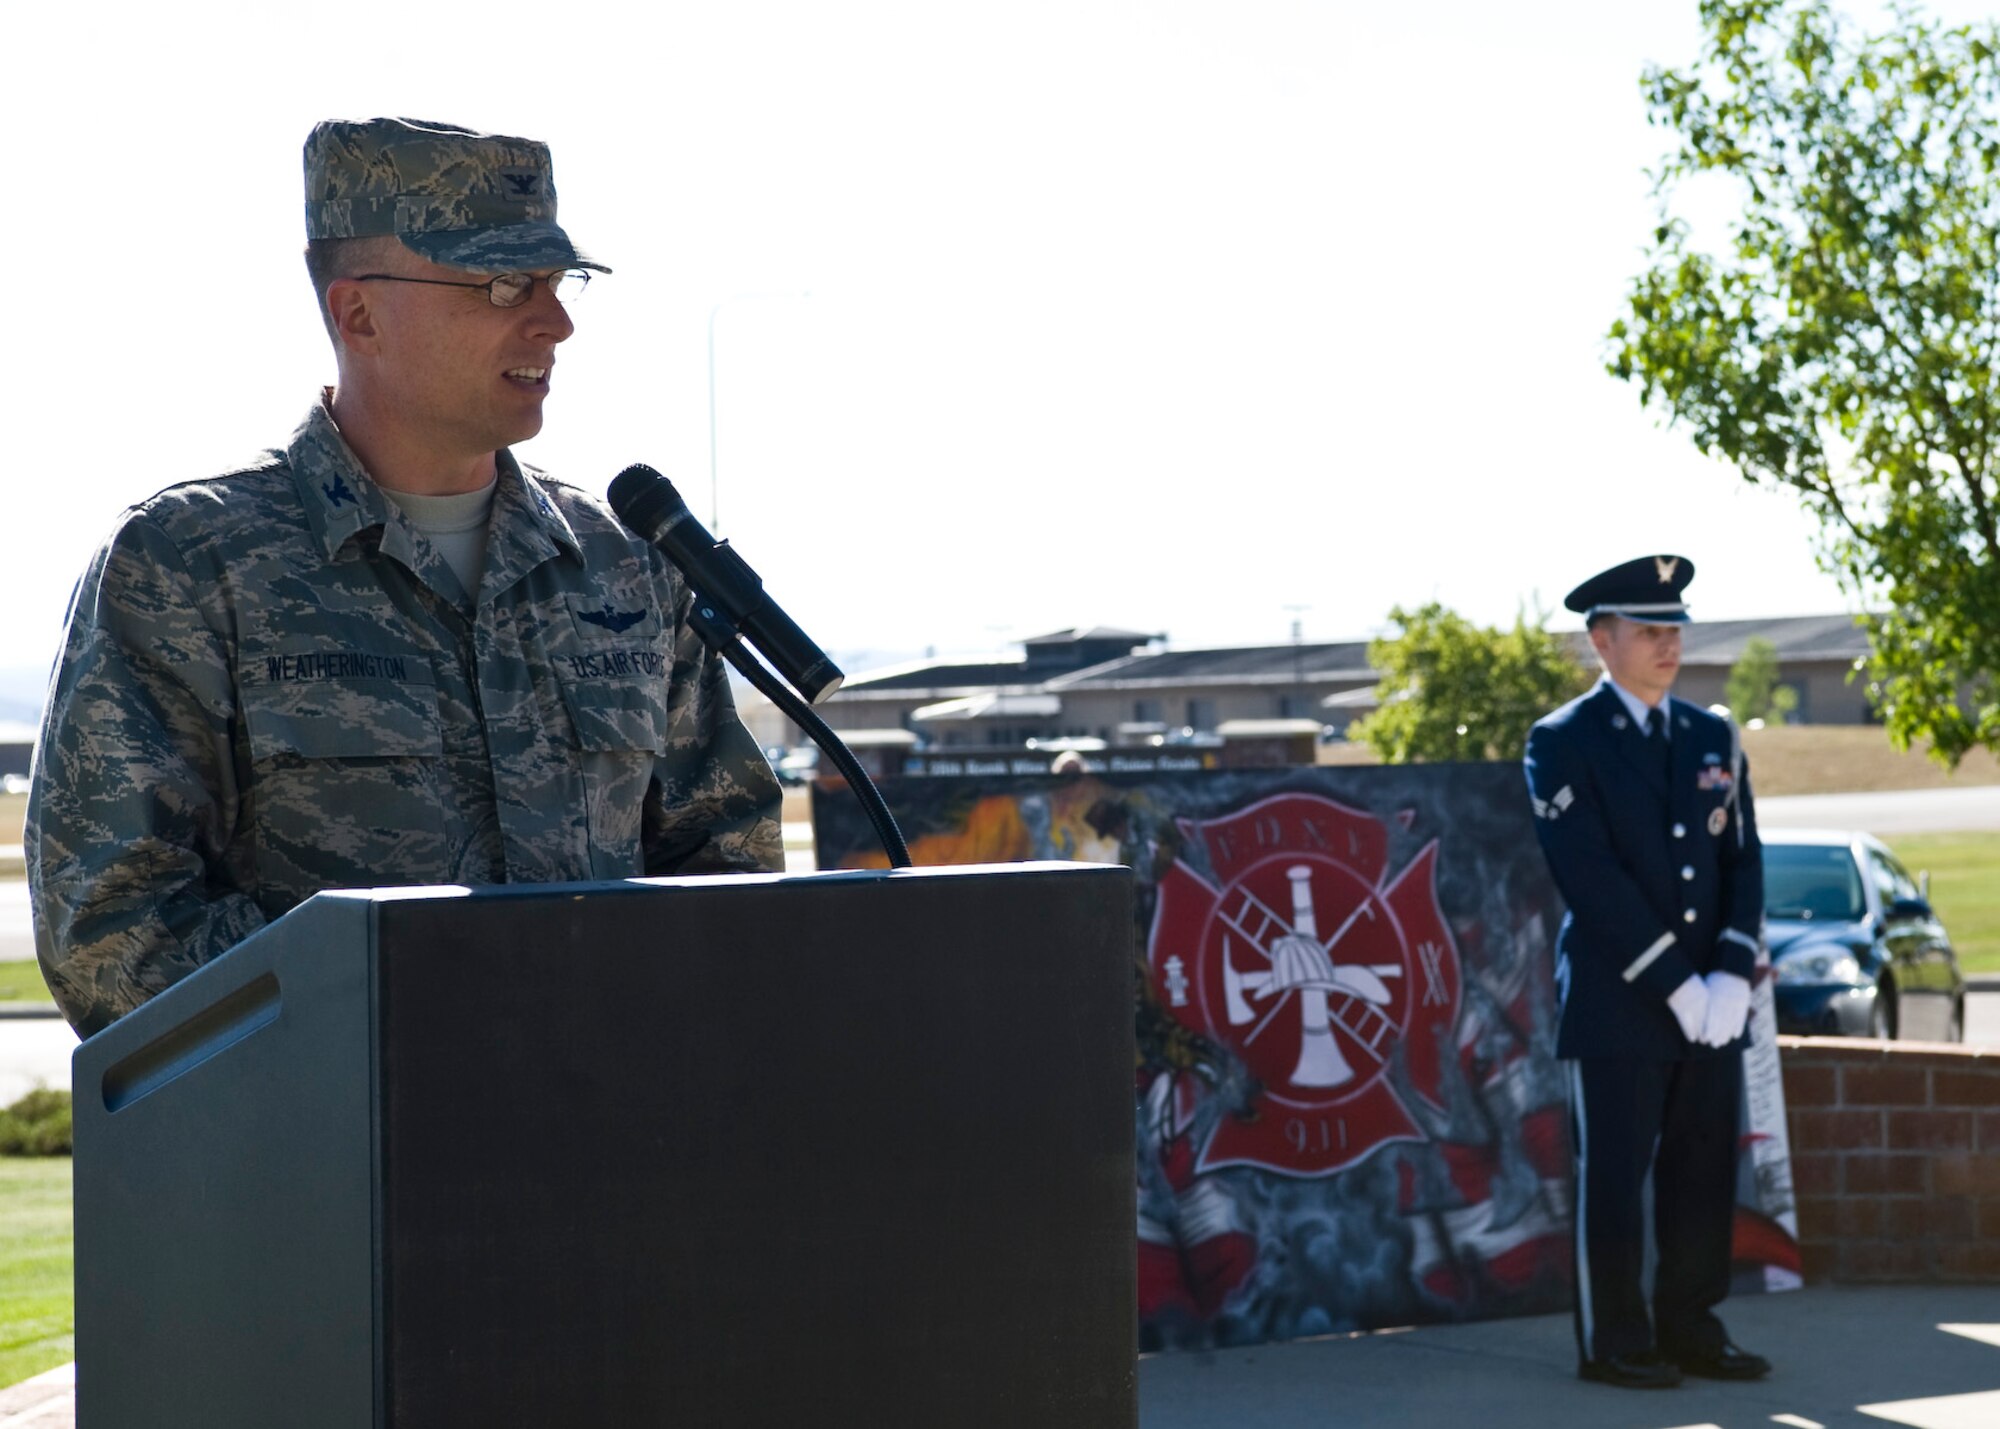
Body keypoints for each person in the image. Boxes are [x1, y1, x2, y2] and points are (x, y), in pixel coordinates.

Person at [28, 117, 782, 1037]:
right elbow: (114, 928)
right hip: (334, 1158)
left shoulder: (625, 567)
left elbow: (728, 869)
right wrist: (413, 1033)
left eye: (558, 280)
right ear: (360, 314)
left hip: (608, 1147)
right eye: (505, 283)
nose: (557, 321)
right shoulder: (189, 565)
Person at [1522, 555, 1769, 1390]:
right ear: (1602, 639)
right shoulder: (1563, 742)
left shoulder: (1711, 736)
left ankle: (1692, 1325)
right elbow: (1589, 876)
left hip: (1713, 1003)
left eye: (1675, 628)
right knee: (1617, 1179)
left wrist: (1731, 973)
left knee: (1702, 1171)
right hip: (1620, 999)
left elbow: (1743, 861)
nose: (1670, 644)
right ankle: (1617, 1339)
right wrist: (1680, 983)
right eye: (1649, 629)